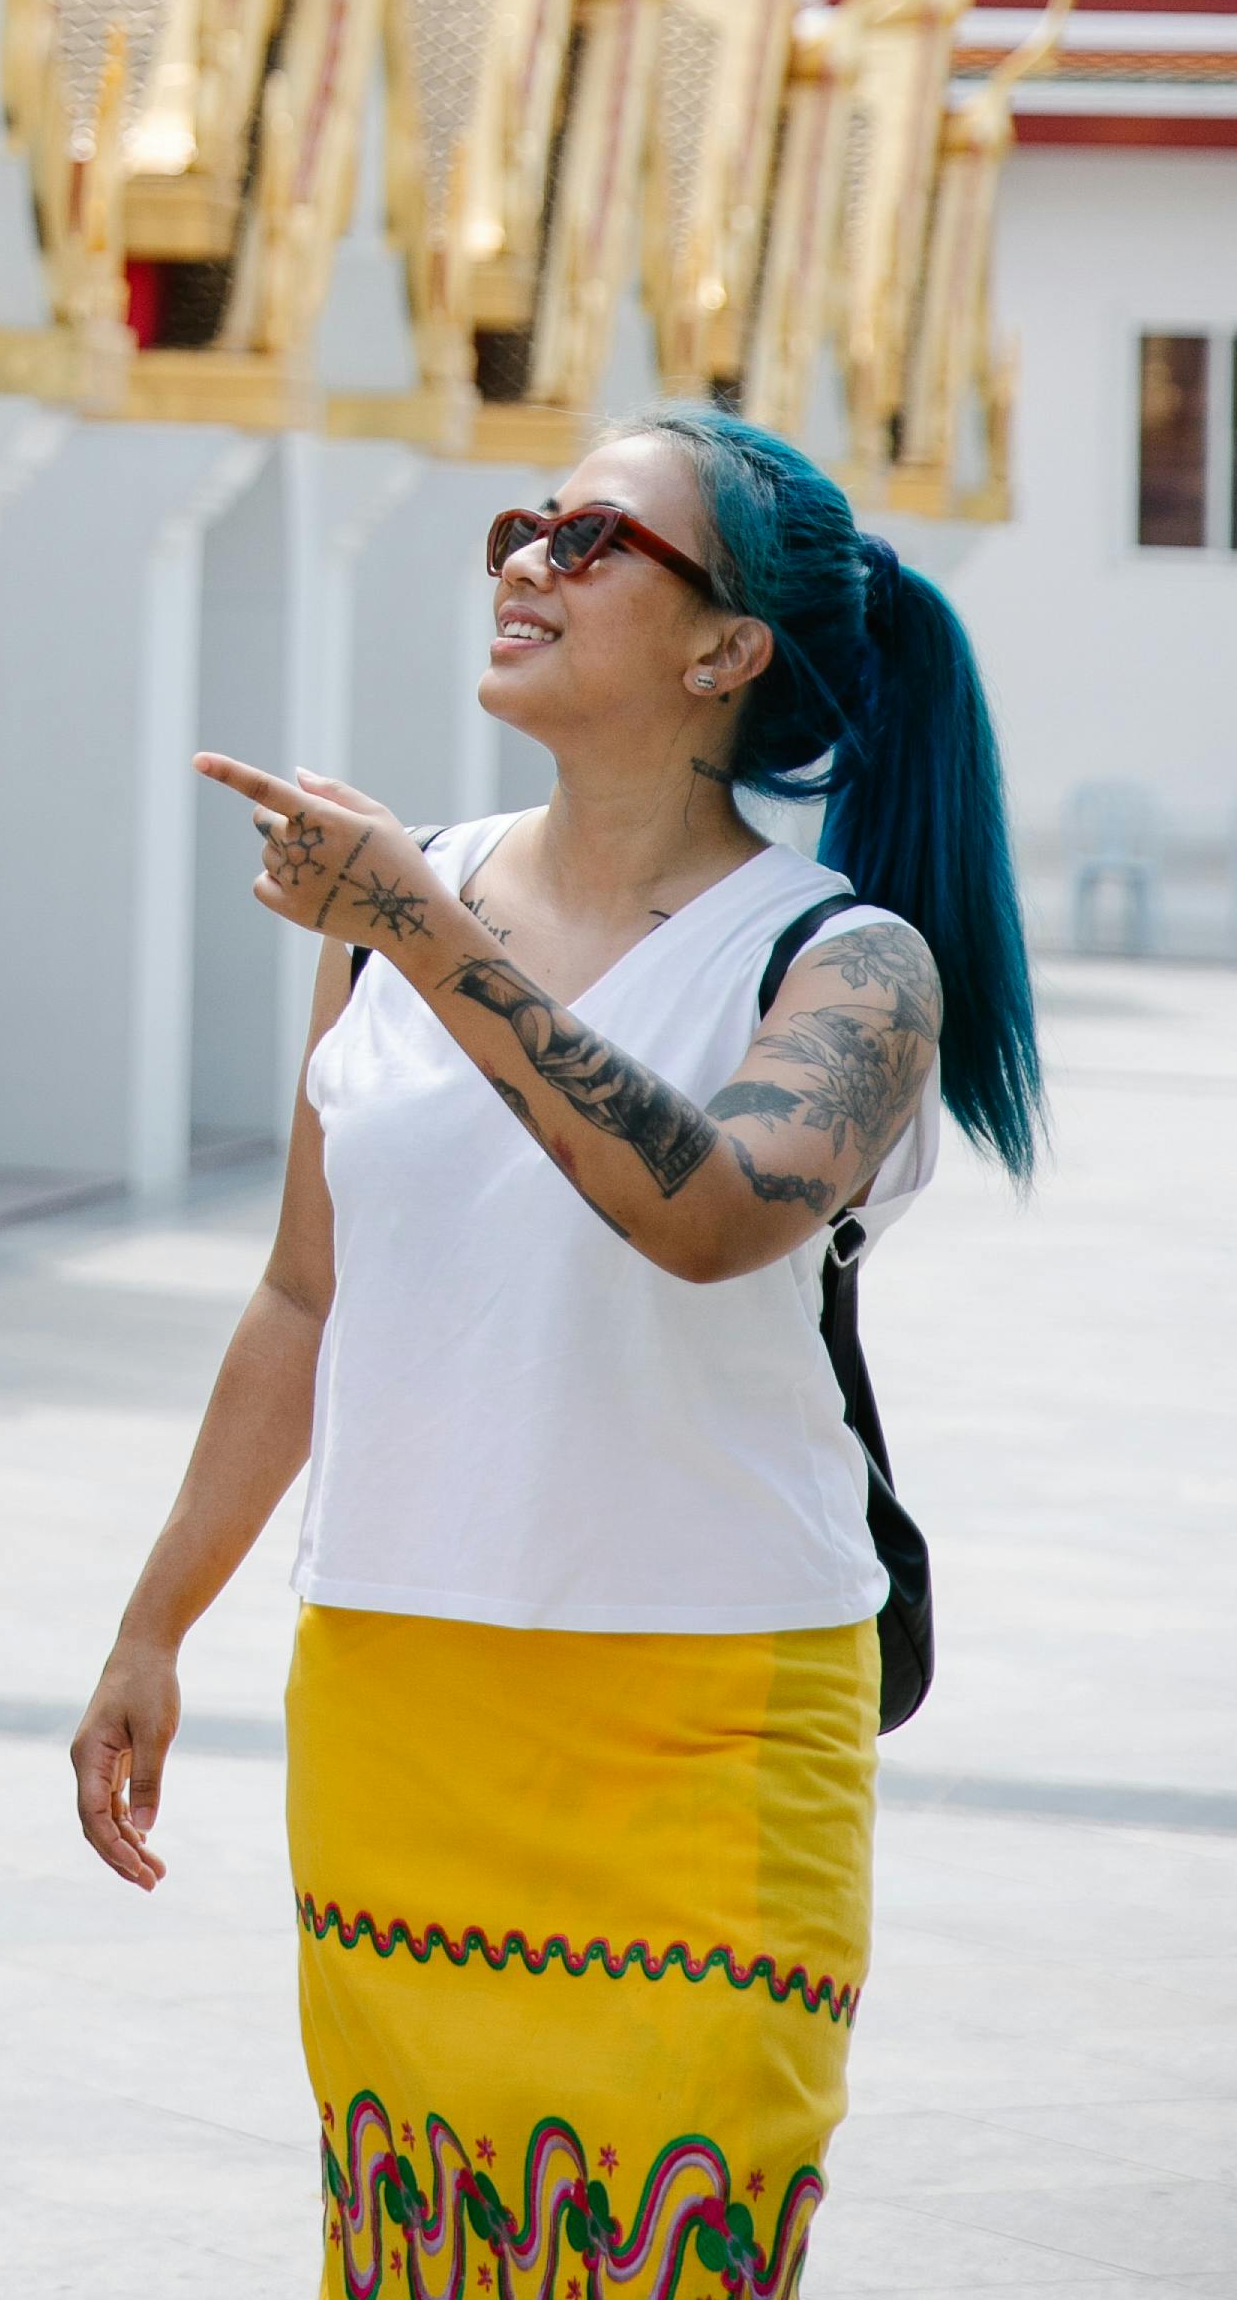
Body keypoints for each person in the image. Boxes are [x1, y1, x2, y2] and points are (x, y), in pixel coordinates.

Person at [72, 407, 1041, 2295]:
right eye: (523, 522)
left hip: (710, 1705)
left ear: (725, 647)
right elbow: (304, 1294)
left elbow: (704, 1214)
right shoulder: (397, 910)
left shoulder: (842, 961)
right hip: (400, 1682)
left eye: (592, 539)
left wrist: (428, 936)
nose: (523, 558)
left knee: (672, 2253)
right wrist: (153, 1621)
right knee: (417, 2257)